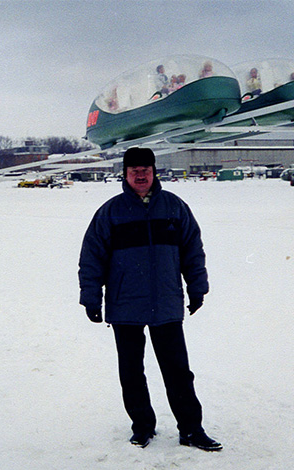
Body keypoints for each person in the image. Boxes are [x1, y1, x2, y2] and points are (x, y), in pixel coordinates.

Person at [78, 147, 222, 451]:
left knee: (178, 372)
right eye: (134, 171)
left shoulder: (175, 207)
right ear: (125, 174)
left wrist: (197, 288)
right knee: (131, 373)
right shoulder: (110, 212)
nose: (140, 176)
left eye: (145, 170)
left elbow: (192, 251)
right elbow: (92, 258)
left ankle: (191, 430)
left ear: (154, 172)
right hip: (125, 305)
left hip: (166, 303)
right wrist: (91, 298)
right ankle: (142, 426)